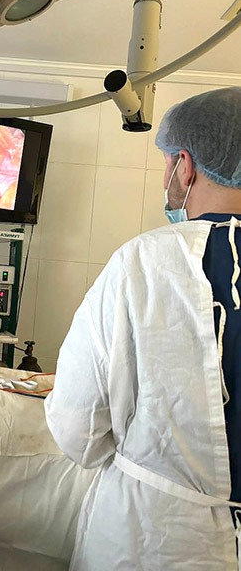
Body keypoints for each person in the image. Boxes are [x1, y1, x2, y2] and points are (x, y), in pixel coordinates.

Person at [45, 86, 241, 570]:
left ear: (185, 166)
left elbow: (79, 431)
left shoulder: (144, 263)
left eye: (166, 165)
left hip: (156, 537)